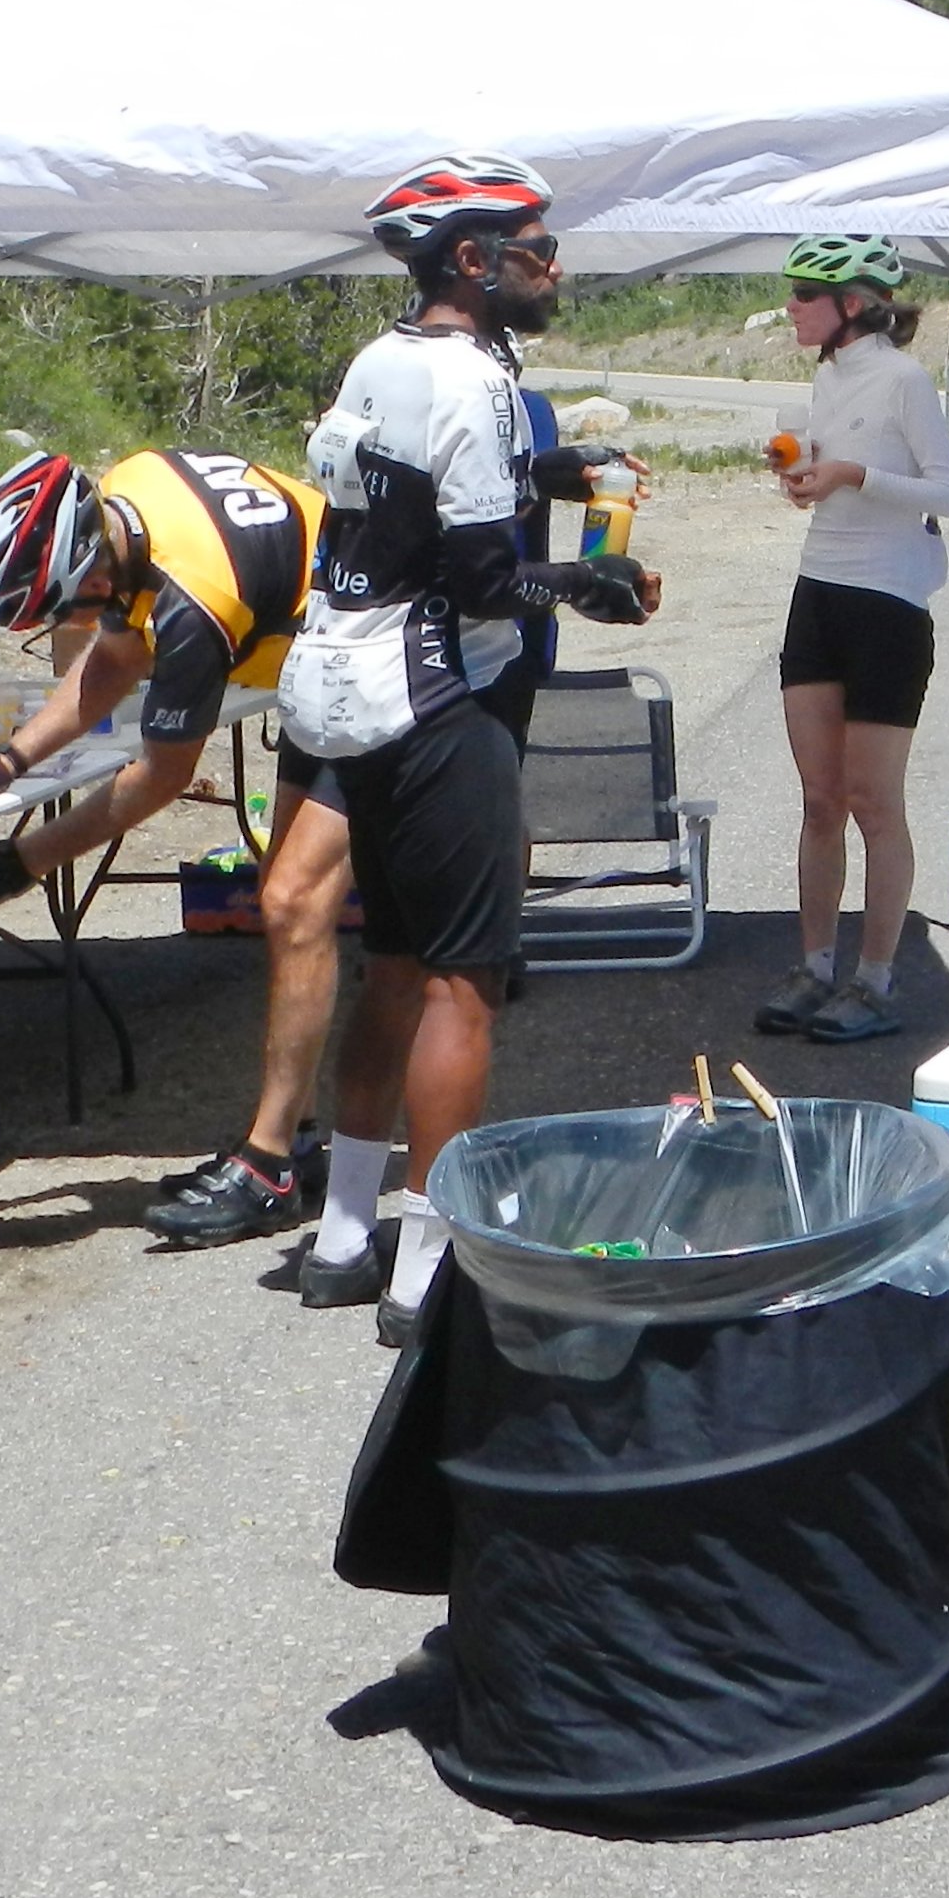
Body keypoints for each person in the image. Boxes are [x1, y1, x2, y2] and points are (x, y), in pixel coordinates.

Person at [282, 155, 658, 1336]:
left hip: (351, 688)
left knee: (392, 966)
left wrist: (555, 468)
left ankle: (345, 1237)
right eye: (534, 252)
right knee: (464, 983)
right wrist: (594, 581)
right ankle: (429, 1271)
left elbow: (407, 499)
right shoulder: (481, 382)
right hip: (446, 701)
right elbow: (487, 577)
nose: (553, 268)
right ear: (472, 263)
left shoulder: (383, 360)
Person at [0, 443, 350, 1250]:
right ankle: (285, 1139)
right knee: (289, 904)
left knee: (297, 905)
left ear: (90, 565)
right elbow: (116, 656)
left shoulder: (193, 604)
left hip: (379, 655)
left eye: (63, 608)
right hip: (323, 655)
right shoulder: (130, 492)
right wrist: (7, 762)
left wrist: (9, 865)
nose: (68, 624)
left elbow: (158, 780)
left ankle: (270, 1169)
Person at [756, 230, 949, 1046]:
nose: (791, 307)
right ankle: (815, 966)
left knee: (872, 801)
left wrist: (853, 476)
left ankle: (875, 979)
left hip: (887, 602)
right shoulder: (829, 375)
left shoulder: (904, 378)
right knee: (819, 800)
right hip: (820, 592)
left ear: (853, 305)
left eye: (805, 295)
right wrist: (810, 472)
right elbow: (836, 468)